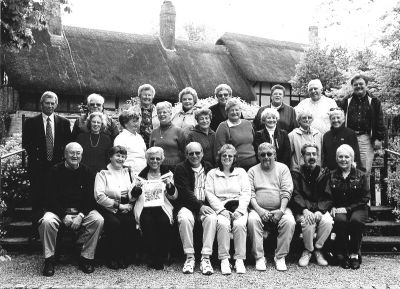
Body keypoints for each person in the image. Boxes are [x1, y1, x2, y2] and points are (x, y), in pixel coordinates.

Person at [38, 143, 104, 276]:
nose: (75, 156)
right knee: (46, 221)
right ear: (65, 155)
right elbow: (49, 198)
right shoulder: (54, 171)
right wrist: (63, 215)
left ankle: (86, 257)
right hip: (59, 211)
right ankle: (49, 259)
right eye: (71, 153)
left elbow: (90, 198)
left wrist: (80, 215)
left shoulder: (87, 172)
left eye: (78, 153)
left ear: (81, 155)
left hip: (80, 211)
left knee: (98, 220)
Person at [22, 91, 71, 235]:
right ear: (41, 104)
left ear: (56, 104)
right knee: (37, 200)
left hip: (57, 169)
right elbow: (27, 144)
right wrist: (39, 160)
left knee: (57, 199)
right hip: (38, 168)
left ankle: (57, 233)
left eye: (52, 103)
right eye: (47, 103)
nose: (50, 106)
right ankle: (36, 233)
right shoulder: (30, 122)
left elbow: (67, 145)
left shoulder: (64, 122)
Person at [247, 143, 295, 272]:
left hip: (280, 208)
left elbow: (286, 191)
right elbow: (250, 194)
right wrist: (259, 210)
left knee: (289, 221)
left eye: (269, 154)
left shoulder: (283, 169)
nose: (266, 157)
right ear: (258, 156)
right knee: (252, 220)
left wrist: (281, 210)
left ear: (275, 155)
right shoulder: (252, 171)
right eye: (263, 155)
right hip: (258, 209)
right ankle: (259, 257)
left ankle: (280, 257)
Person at [205, 144, 251, 275]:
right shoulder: (212, 174)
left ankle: (239, 259)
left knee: (240, 224)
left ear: (234, 158)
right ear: (219, 157)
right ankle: (224, 259)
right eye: (224, 155)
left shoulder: (241, 172)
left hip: (238, 207)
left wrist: (240, 211)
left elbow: (246, 192)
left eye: (230, 156)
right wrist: (221, 210)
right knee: (223, 224)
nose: (227, 158)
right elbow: (210, 194)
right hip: (221, 207)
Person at [130, 147, 178, 270]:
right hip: (145, 206)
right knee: (147, 222)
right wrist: (137, 189)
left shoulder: (168, 174)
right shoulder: (140, 176)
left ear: (162, 160)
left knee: (164, 222)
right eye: (152, 158)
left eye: (158, 158)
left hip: (162, 206)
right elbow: (131, 198)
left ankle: (162, 254)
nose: (155, 161)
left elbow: (173, 197)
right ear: (147, 160)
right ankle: (153, 256)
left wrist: (169, 185)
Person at [174, 142, 216, 275]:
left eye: (197, 153)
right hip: (187, 205)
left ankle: (206, 257)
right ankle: (190, 256)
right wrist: (199, 206)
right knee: (185, 219)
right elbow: (184, 191)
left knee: (211, 218)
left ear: (202, 153)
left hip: (205, 204)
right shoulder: (180, 168)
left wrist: (206, 206)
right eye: (191, 153)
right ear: (186, 155)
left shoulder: (209, 167)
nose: (194, 156)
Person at [326, 144, 370, 270]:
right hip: (339, 208)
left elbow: (365, 197)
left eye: (347, 157)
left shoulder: (361, 175)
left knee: (355, 221)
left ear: (352, 159)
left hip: (358, 208)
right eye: (340, 157)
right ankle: (344, 255)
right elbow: (327, 194)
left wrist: (348, 209)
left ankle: (354, 254)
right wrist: (332, 206)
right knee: (340, 220)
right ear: (336, 159)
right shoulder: (331, 175)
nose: (343, 159)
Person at [94, 146, 138, 270]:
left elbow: (134, 191)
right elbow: (99, 196)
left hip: (127, 205)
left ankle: (124, 256)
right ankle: (112, 257)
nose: (121, 159)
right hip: (109, 206)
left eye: (123, 156)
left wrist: (130, 204)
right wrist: (119, 206)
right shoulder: (102, 173)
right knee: (114, 224)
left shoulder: (128, 172)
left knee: (129, 222)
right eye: (117, 155)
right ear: (110, 157)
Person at [290, 144, 333, 267]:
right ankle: (308, 250)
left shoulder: (324, 173)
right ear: (303, 156)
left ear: (318, 156)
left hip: (321, 209)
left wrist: (320, 210)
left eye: (314, 154)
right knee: (308, 222)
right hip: (302, 209)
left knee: (327, 222)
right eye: (308, 154)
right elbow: (296, 194)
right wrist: (304, 210)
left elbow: (328, 195)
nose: (311, 156)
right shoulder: (296, 173)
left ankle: (318, 249)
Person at [338, 75, 386, 180]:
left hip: (366, 139)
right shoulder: (346, 101)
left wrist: (379, 138)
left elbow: (380, 121)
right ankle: (349, 195)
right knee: (347, 167)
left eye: (361, 84)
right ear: (352, 86)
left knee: (365, 170)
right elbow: (339, 119)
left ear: (366, 85)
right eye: (355, 85)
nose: (358, 86)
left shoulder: (374, 101)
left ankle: (365, 196)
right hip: (348, 138)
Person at [214, 98, 257, 171]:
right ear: (227, 112)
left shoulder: (247, 123)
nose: (235, 112)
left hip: (253, 163)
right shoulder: (223, 126)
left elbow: (254, 143)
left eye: (237, 110)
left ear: (240, 111)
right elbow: (219, 150)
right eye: (232, 110)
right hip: (236, 165)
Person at [149, 101, 186, 171]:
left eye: (164, 112)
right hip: (157, 169)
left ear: (170, 114)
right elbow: (150, 153)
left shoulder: (179, 131)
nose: (161, 114)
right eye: (159, 113)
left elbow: (185, 153)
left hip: (175, 169)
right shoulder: (154, 132)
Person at [114, 108, 147, 175]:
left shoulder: (139, 137)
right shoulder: (120, 138)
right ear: (125, 124)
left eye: (137, 121)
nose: (137, 124)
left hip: (142, 173)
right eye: (134, 121)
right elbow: (118, 159)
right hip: (128, 174)